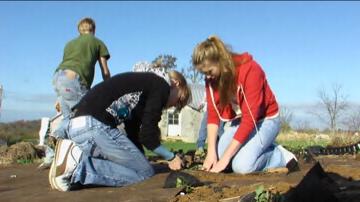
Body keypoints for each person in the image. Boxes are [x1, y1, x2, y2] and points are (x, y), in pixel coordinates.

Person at [49, 70, 191, 191]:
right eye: (179, 100)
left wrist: (139, 157)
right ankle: (79, 168)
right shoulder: (162, 86)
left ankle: (70, 168)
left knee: (133, 166)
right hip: (94, 125)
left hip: (76, 126)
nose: (173, 106)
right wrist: (171, 157)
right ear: (177, 84)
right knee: (144, 172)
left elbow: (133, 133)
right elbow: (148, 136)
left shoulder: (142, 88)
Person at [192, 36, 298, 174]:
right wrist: (211, 153)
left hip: (265, 121)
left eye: (209, 72)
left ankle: (278, 155)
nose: (207, 77)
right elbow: (212, 116)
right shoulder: (212, 81)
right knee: (220, 154)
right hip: (240, 122)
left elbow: (250, 119)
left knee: (241, 166)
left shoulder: (251, 70)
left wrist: (225, 159)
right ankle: (260, 147)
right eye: (203, 74)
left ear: (221, 62)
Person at [52, 17, 111, 139]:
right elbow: (104, 71)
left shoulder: (69, 44)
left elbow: (66, 66)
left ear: (79, 30)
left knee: (69, 118)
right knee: (91, 113)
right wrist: (111, 88)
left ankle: (58, 136)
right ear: (93, 29)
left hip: (58, 77)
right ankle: (103, 147)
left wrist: (59, 97)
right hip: (74, 79)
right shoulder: (97, 42)